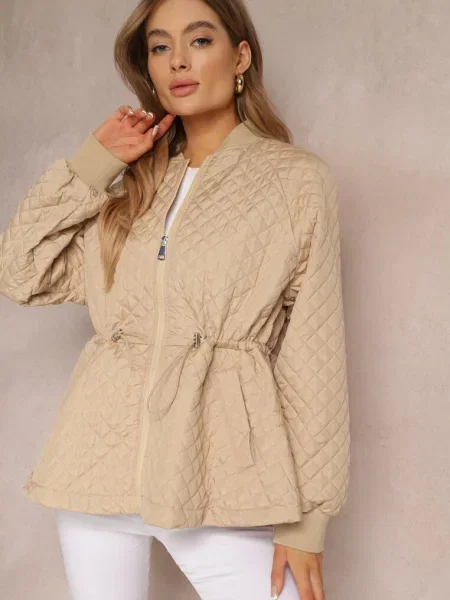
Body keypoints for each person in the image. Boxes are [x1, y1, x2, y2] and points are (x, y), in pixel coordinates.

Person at [0, 0, 351, 598]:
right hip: (97, 469)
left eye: (200, 40)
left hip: (219, 474)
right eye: (160, 47)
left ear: (240, 57)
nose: (178, 61)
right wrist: (95, 163)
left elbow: (313, 360)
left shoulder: (295, 180)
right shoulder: (131, 183)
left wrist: (308, 519)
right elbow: (20, 271)